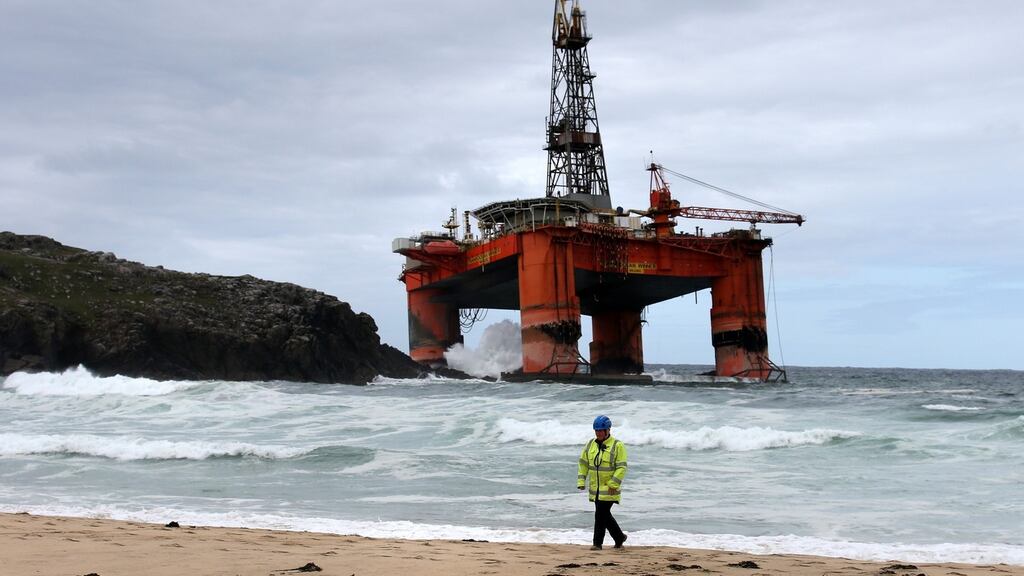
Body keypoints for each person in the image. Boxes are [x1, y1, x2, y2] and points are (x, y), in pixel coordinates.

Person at [577, 414, 628, 550]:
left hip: (610, 488)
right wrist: (581, 480)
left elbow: (621, 467)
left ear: (608, 430)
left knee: (600, 514)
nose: (598, 433)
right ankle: (619, 537)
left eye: (601, 430)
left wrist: (614, 483)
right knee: (604, 515)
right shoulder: (590, 444)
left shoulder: (617, 446)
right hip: (596, 489)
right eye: (596, 431)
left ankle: (597, 544)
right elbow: (583, 463)